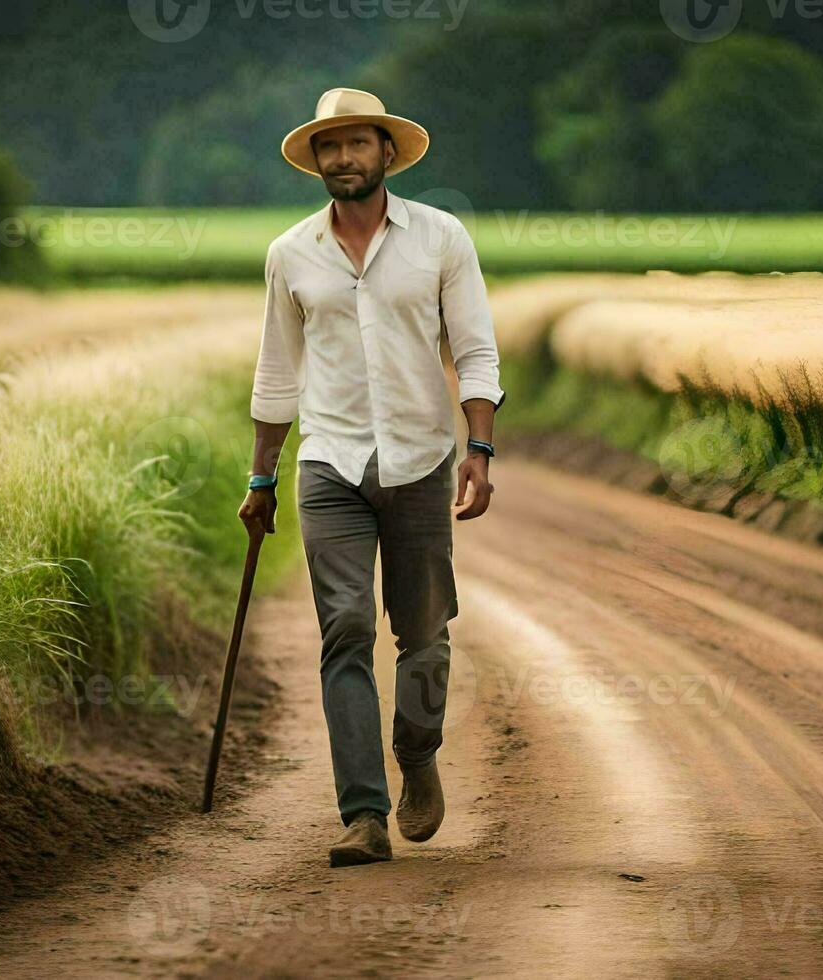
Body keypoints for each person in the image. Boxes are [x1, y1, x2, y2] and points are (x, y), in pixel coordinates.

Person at [238, 88, 504, 868]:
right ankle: (363, 814)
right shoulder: (291, 254)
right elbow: (276, 374)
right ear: (315, 162)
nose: (344, 158)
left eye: (357, 144)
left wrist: (478, 452)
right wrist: (260, 480)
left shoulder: (440, 239)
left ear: (388, 153)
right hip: (330, 463)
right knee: (344, 631)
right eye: (330, 147)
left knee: (422, 635)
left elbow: (477, 350)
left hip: (421, 460)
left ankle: (417, 756)